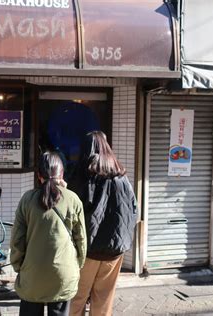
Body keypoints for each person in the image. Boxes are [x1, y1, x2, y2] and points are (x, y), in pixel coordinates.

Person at [69, 131, 138, 316]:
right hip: (115, 250)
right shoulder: (121, 176)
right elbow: (133, 210)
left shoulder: (83, 174)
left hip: (87, 251)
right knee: (104, 301)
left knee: (76, 298)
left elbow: (71, 211)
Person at [10, 151, 87, 316]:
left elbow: (17, 239)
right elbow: (81, 239)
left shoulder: (27, 199)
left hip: (32, 273)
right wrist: (77, 265)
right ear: (62, 174)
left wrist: (18, 266)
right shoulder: (73, 199)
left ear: (39, 175)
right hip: (63, 273)